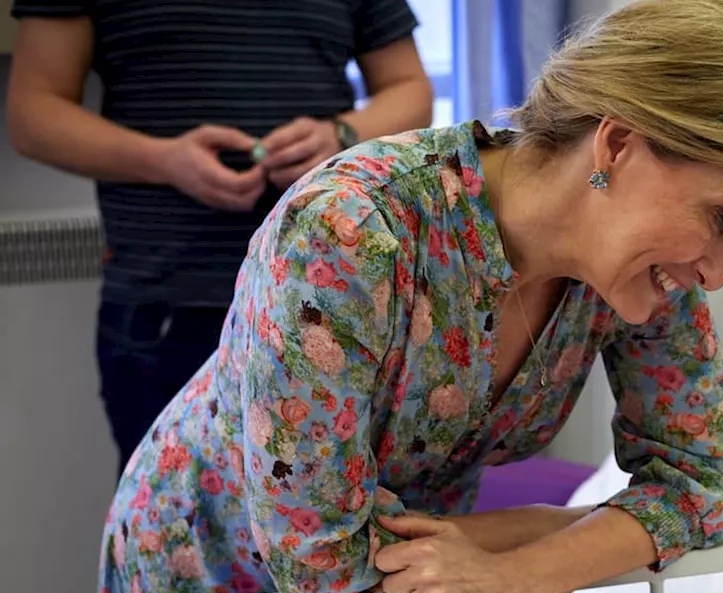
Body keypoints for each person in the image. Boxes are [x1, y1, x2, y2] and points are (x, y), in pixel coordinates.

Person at [90, 0, 723, 593]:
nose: (717, 272)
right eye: (721, 218)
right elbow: (316, 552)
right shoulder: (352, 232)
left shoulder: (643, 283)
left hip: (416, 586)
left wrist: (520, 574)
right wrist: (546, 527)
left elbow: (705, 485)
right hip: (217, 572)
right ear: (616, 145)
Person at [5, 0, 435, 473]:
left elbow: (409, 88)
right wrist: (162, 160)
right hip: (168, 308)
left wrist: (342, 134)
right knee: (169, 523)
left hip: (329, 302)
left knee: (341, 514)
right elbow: (33, 112)